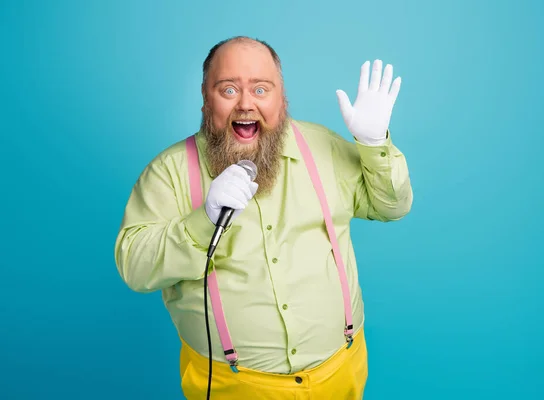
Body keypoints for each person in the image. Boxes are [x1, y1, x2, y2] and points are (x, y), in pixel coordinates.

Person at [114, 36, 413, 399]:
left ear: (281, 98)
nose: (245, 104)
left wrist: (374, 143)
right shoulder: (169, 172)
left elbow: (391, 206)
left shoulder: (324, 147)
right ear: (206, 98)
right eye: (228, 89)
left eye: (260, 89)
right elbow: (135, 266)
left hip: (340, 371)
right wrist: (203, 220)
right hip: (231, 386)